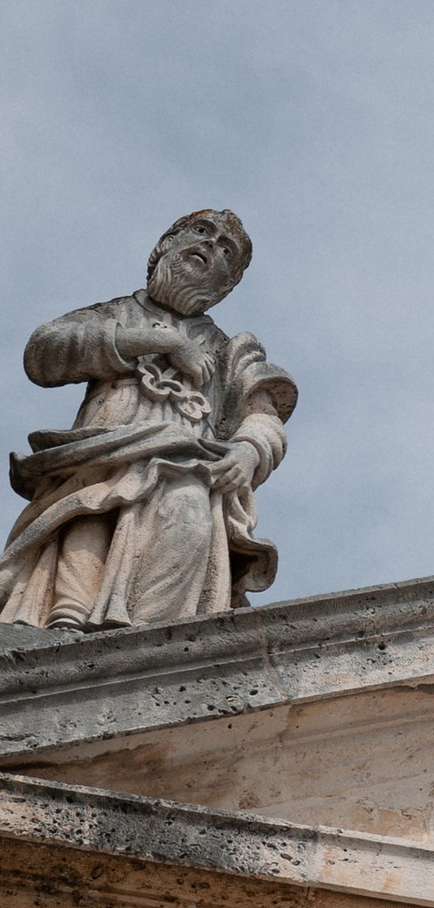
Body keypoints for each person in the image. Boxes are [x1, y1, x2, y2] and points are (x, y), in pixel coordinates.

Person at [0, 208, 294, 632]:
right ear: (165, 246)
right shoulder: (115, 312)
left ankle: (153, 636)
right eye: (200, 232)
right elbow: (44, 354)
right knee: (88, 515)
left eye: (226, 250)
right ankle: (67, 619)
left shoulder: (231, 351)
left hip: (187, 459)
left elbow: (264, 416)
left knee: (188, 512)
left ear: (228, 284)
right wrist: (157, 341)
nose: (210, 245)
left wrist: (250, 450)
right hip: (103, 449)